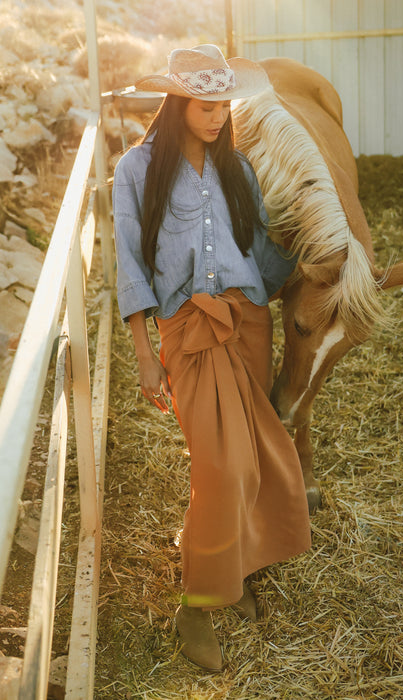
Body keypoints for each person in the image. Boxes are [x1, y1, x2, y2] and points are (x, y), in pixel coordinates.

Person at [112, 44, 311, 672]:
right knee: (221, 468)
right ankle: (195, 605)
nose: (219, 115)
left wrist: (320, 249)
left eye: (225, 104)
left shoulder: (237, 168)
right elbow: (129, 263)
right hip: (189, 331)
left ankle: (235, 570)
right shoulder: (135, 170)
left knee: (250, 461)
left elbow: (262, 253)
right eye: (206, 105)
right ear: (176, 103)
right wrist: (144, 353)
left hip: (248, 323)